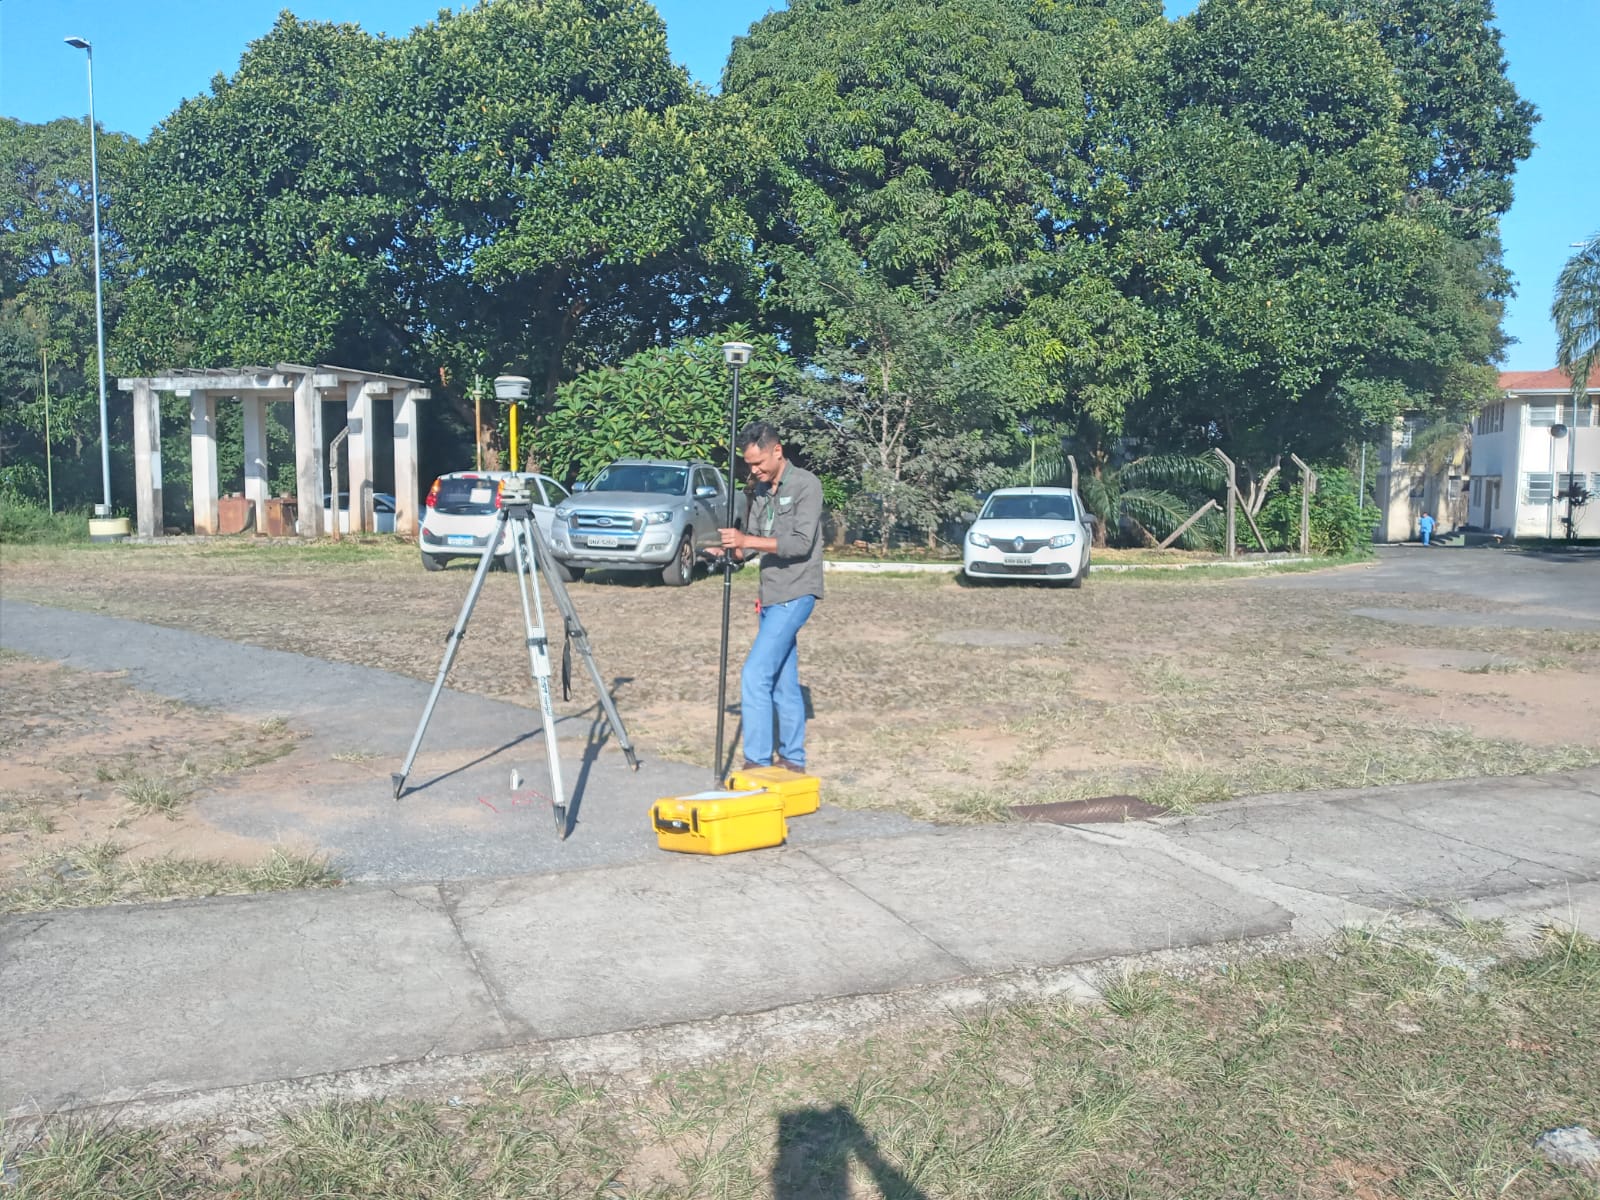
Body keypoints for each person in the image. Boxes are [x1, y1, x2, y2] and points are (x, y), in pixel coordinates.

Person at [717, 421, 825, 773]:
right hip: (771, 595)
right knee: (782, 678)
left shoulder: (807, 485)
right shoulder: (761, 491)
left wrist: (747, 542)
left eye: (758, 462)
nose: (754, 470)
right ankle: (793, 759)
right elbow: (754, 540)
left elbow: (799, 544)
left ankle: (757, 762)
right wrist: (731, 550)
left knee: (754, 675)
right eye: (749, 465)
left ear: (777, 451)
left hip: (797, 592)